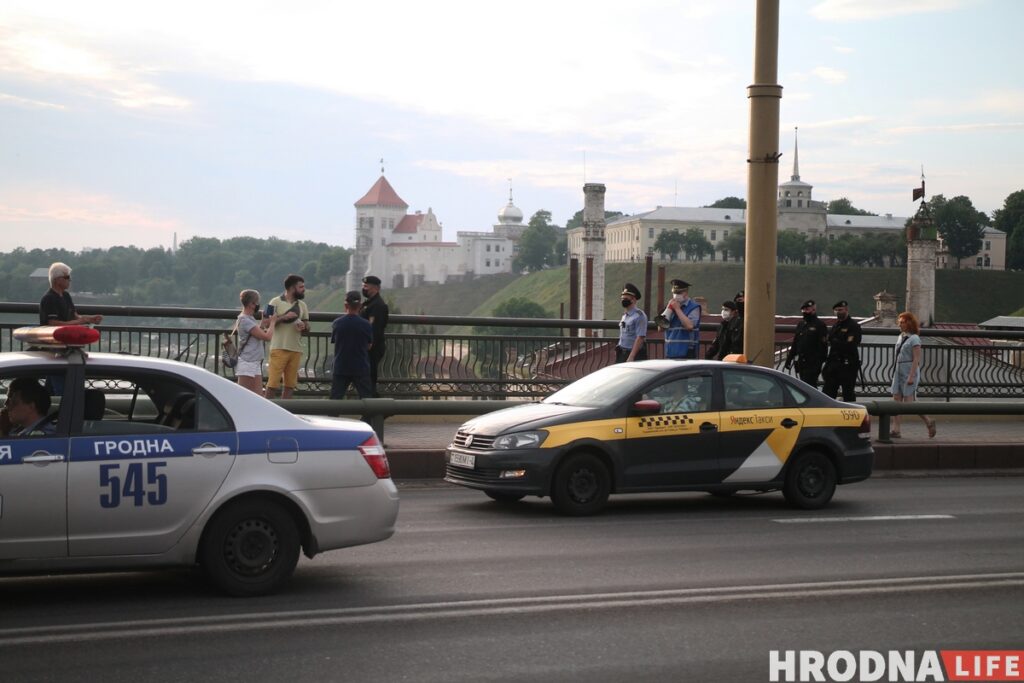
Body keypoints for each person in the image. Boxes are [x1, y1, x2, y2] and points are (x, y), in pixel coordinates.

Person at [890, 311, 936, 439]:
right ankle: (896, 430)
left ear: (909, 323)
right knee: (896, 400)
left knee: (909, 403)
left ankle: (928, 420)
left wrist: (911, 376)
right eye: (899, 323)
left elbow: (916, 359)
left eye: (903, 322)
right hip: (898, 370)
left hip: (909, 370)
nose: (900, 325)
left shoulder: (914, 338)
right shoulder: (901, 336)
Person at [265, 274, 310, 399]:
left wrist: (304, 327)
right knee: (272, 384)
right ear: (291, 288)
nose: (303, 289)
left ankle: (285, 413)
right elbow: (265, 323)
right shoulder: (274, 302)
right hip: (278, 348)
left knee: (290, 386)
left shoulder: (302, 305)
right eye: (301, 287)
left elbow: (307, 325)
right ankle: (266, 413)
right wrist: (284, 317)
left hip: (296, 349)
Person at [330, 291, 374, 400]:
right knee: (367, 399)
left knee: (335, 400)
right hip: (360, 367)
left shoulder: (337, 323)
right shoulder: (366, 324)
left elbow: (335, 341)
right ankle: (367, 418)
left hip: (341, 366)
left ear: (346, 305)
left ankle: (333, 417)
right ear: (360, 306)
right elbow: (369, 346)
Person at [233, 289, 278, 395]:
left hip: (254, 361)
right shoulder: (245, 320)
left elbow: (255, 335)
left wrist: (262, 324)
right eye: (257, 302)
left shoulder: (249, 318)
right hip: (248, 361)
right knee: (242, 395)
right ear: (251, 304)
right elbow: (267, 337)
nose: (258, 305)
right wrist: (273, 323)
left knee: (258, 396)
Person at [822, 300, 862, 402]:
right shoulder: (836, 326)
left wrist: (834, 341)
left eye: (840, 310)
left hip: (847, 364)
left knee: (848, 394)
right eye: (836, 310)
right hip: (834, 364)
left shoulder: (853, 326)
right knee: (828, 394)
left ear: (846, 310)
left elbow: (850, 345)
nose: (838, 312)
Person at [39, 262, 103, 326]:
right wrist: (81, 321)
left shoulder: (66, 295)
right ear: (58, 280)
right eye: (67, 277)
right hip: (53, 335)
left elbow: (75, 316)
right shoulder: (49, 298)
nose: (70, 280)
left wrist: (89, 319)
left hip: (66, 334)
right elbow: (53, 323)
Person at [785, 299, 828, 389]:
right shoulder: (801, 324)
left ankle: (814, 403)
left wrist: (819, 363)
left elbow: (823, 346)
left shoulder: (819, 325)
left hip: (813, 362)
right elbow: (796, 343)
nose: (805, 312)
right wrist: (789, 359)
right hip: (801, 361)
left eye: (807, 309)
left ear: (813, 310)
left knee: (810, 386)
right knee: (803, 386)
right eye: (803, 310)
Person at [360, 275, 390, 397]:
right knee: (365, 378)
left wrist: (369, 344)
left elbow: (375, 328)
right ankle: (375, 409)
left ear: (375, 288)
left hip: (372, 348)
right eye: (363, 286)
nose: (364, 289)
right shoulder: (368, 303)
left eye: (366, 287)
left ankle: (377, 409)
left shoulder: (378, 305)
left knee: (369, 379)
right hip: (367, 346)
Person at [662, 279, 701, 359]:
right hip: (671, 351)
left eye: (679, 293)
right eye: (674, 293)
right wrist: (668, 309)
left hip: (687, 351)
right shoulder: (670, 306)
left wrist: (677, 309)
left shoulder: (693, 307)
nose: (676, 295)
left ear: (686, 293)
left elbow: (689, 326)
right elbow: (660, 327)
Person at [615, 283, 647, 363]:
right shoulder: (625, 315)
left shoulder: (639, 315)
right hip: (622, 353)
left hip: (634, 355)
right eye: (622, 298)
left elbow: (640, 337)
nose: (623, 300)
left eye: (626, 298)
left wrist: (631, 357)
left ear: (633, 299)